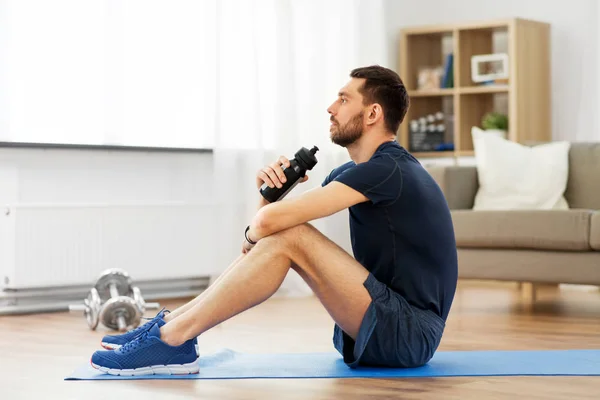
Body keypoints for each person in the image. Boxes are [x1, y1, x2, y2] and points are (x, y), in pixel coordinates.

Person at [91, 65, 458, 375]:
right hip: (383, 323)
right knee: (287, 233)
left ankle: (174, 338)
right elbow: (266, 234)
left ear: (373, 113)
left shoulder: (387, 169)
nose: (331, 108)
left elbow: (270, 229)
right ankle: (170, 329)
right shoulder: (358, 171)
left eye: (344, 99)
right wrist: (268, 198)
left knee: (292, 233)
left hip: (409, 333)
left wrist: (262, 224)